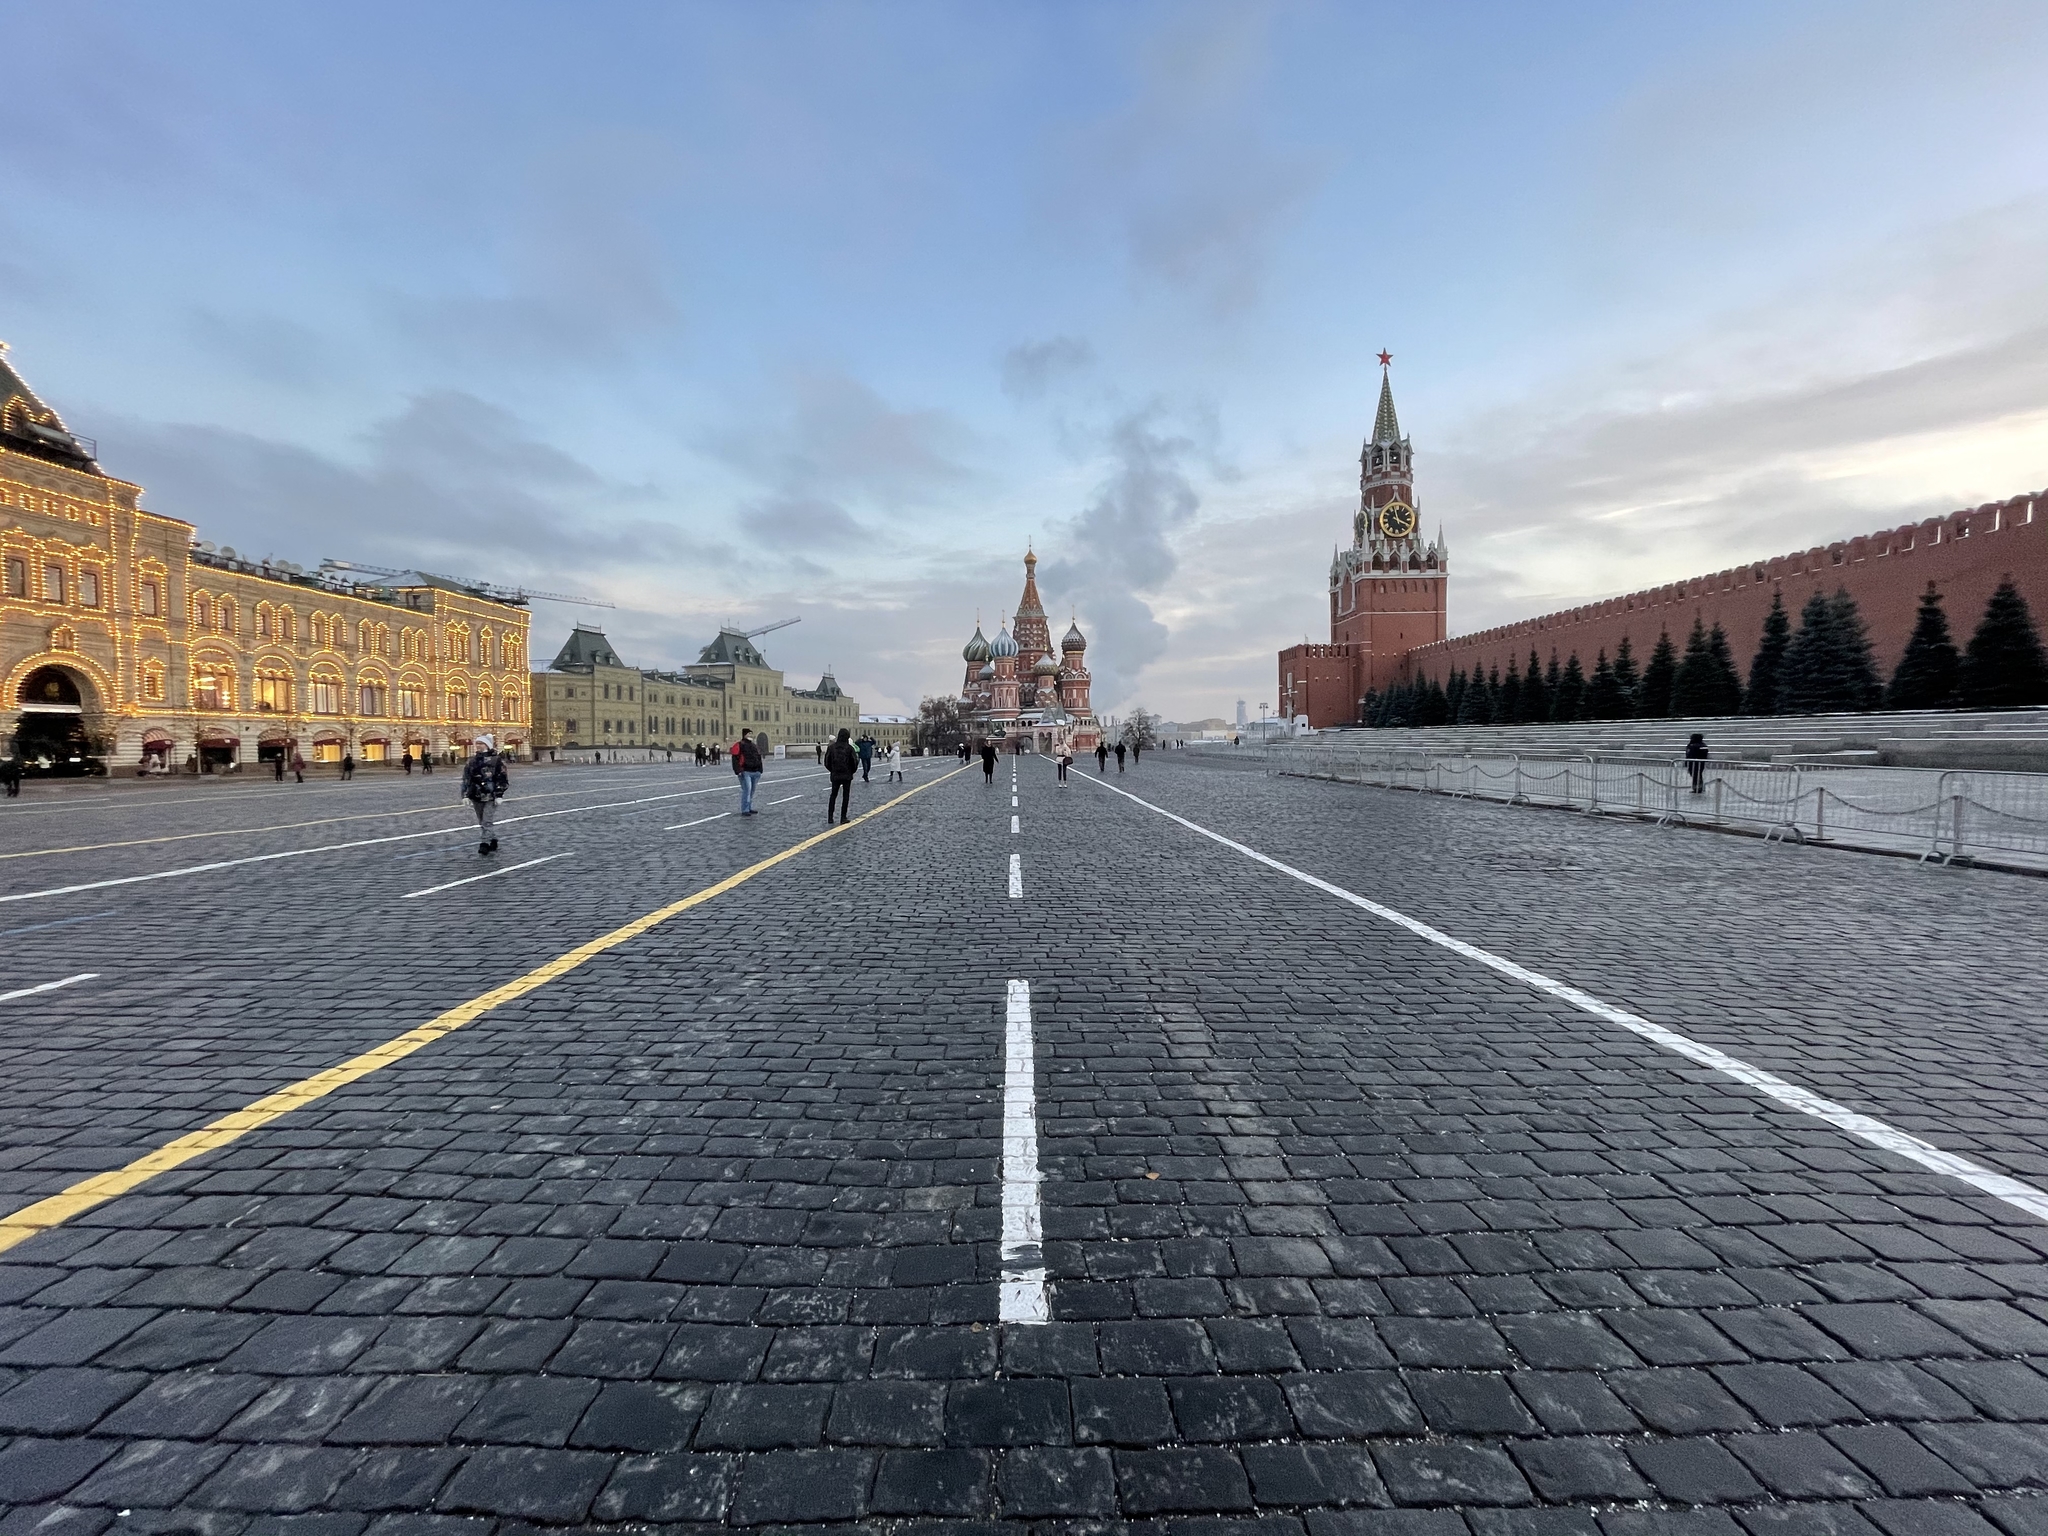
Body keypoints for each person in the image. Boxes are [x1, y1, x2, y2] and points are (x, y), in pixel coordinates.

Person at [461, 734, 509, 855]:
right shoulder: (472, 761)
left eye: (481, 743)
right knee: (482, 821)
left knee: (487, 821)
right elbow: (466, 779)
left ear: (487, 745)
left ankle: (484, 843)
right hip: (476, 795)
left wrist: (499, 794)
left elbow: (502, 778)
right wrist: (465, 795)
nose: (478, 746)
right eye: (477, 743)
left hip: (490, 795)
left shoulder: (497, 760)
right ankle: (493, 839)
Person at [825, 727, 857, 824]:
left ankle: (830, 817)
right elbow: (854, 762)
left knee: (833, 795)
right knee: (845, 796)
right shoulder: (850, 748)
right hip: (847, 775)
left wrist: (832, 770)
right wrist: (851, 771)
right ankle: (843, 817)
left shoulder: (831, 747)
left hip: (835, 775)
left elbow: (827, 762)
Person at [732, 727, 763, 815]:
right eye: (749, 734)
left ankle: (749, 807)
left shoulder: (754, 746)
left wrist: (760, 770)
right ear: (744, 735)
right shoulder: (739, 745)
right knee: (747, 790)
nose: (751, 736)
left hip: (755, 771)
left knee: (751, 791)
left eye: (751, 734)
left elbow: (759, 757)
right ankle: (745, 809)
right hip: (745, 771)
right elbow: (735, 758)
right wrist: (738, 770)